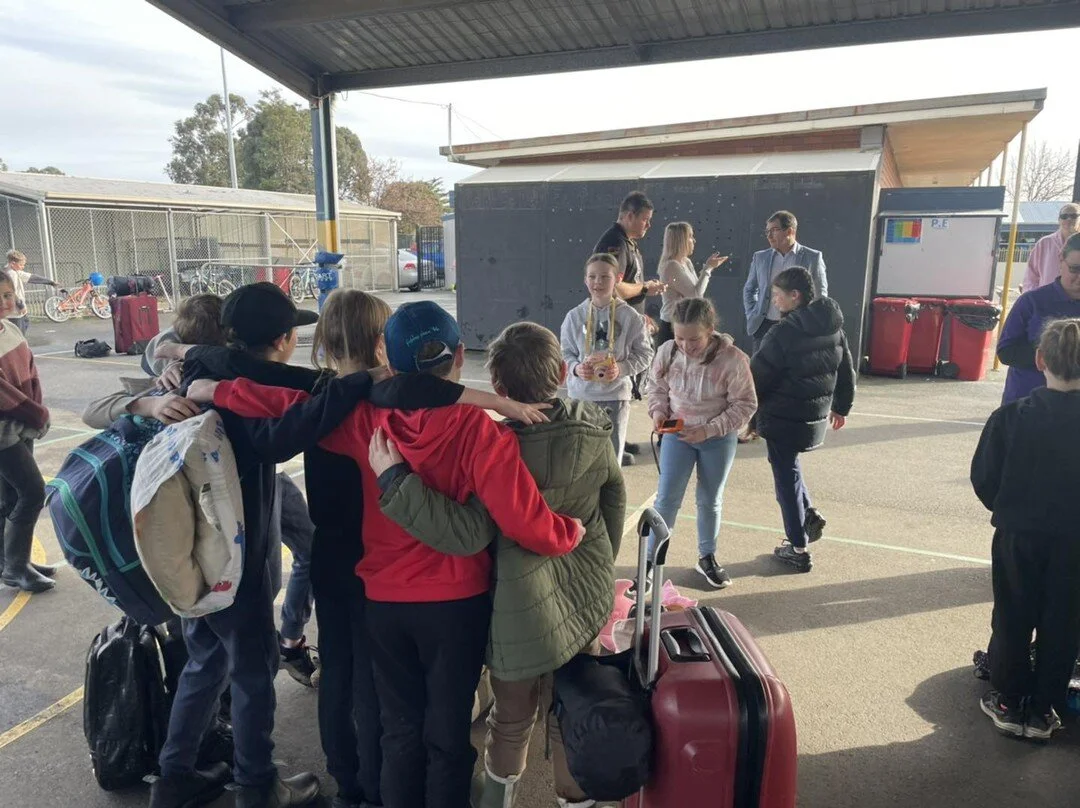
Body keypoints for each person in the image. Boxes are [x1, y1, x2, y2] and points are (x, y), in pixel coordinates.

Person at [190, 300, 585, 808]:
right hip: (455, 606)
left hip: (383, 602)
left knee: (398, 731)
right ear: (462, 355)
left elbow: (286, 402)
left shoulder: (364, 420)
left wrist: (217, 390)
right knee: (446, 735)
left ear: (389, 363)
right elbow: (527, 524)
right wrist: (571, 532)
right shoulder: (480, 431)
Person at [371, 320, 625, 808]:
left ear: (501, 387)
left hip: (516, 612)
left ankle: (499, 799)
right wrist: (597, 562)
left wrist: (399, 486)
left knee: (510, 721)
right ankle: (574, 800)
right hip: (583, 597)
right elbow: (613, 504)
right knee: (571, 710)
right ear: (561, 371)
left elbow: (472, 533)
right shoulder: (594, 432)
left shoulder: (491, 446)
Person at [86, 292, 322, 687]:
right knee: (224, 614)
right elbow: (94, 409)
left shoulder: (242, 373)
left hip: (263, 488)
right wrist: (147, 403)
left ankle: (290, 642)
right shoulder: (185, 382)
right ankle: (228, 694)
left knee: (305, 551)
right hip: (211, 508)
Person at [971, 318, 1080, 742]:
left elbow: (985, 478)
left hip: (1019, 534)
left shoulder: (1010, 418)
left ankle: (1008, 700)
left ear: (1039, 361)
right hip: (1074, 540)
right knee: (1065, 619)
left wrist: (1008, 508)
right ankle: (1044, 708)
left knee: (1013, 614)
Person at [643, 298, 756, 592]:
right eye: (679, 337)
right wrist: (658, 411)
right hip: (677, 437)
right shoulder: (667, 351)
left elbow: (745, 404)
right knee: (666, 500)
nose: (685, 345)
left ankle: (707, 556)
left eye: (694, 339)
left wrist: (709, 430)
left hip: (717, 439)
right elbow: (655, 387)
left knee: (710, 500)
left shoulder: (733, 359)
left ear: (710, 330)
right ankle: (650, 563)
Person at [751, 267, 855, 573]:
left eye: (776, 295)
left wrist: (748, 414)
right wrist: (842, 406)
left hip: (783, 416)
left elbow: (758, 377)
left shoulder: (783, 333)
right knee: (791, 468)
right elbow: (846, 367)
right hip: (814, 414)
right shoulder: (832, 325)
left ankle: (797, 547)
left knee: (784, 478)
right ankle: (808, 514)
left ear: (794, 296)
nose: (773, 300)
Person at [561, 253, 654, 467]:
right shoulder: (574, 317)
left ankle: (610, 499)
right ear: (585, 279)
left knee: (611, 459)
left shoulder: (631, 317)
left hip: (615, 397)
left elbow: (645, 354)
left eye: (605, 277)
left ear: (618, 278)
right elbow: (564, 353)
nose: (598, 282)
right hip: (580, 398)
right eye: (592, 277)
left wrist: (621, 368)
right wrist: (576, 369)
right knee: (580, 458)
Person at [594, 191, 665, 453]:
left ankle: (617, 440)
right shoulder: (615, 243)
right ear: (628, 215)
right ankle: (609, 448)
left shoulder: (627, 242)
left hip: (626, 322)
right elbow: (614, 288)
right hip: (611, 324)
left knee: (624, 383)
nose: (648, 225)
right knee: (610, 384)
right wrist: (645, 287)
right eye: (645, 219)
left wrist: (640, 311)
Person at [0, 271, 54, 593]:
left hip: (22, 425)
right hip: (4, 431)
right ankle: (16, 567)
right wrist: (35, 413)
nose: (8, 301)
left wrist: (37, 409)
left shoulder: (10, 330)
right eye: (1, 296)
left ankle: (10, 561)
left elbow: (30, 374)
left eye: (8, 294)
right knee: (33, 491)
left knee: (10, 496)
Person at [997, 232, 1080, 404]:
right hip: (1027, 404)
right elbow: (1006, 352)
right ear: (1061, 261)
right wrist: (1056, 355)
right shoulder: (1032, 302)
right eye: (1075, 269)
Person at [743, 211, 829, 354]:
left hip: (797, 328)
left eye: (774, 230)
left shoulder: (812, 257)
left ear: (789, 231)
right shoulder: (760, 257)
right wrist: (752, 313)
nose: (769, 236)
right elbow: (750, 289)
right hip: (764, 327)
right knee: (761, 373)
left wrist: (809, 323)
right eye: (767, 231)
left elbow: (820, 295)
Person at [656, 221, 727, 346]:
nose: (694, 241)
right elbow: (695, 296)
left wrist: (707, 269)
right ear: (681, 240)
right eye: (690, 236)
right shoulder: (671, 266)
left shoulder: (686, 262)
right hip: (672, 327)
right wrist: (708, 269)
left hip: (687, 324)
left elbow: (696, 291)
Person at [1021, 203, 1080, 293]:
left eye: (1074, 216)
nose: (1069, 219)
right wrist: (1034, 301)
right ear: (1059, 220)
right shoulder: (1044, 243)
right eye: (1064, 216)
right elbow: (1031, 277)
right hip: (1047, 301)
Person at [4, 250, 59, 336]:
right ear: (12, 264)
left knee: (25, 323)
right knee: (18, 336)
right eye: (21, 265)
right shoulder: (11, 274)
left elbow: (31, 277)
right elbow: (11, 293)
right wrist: (21, 306)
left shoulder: (15, 271)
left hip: (18, 313)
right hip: (14, 313)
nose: (23, 267)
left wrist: (50, 282)